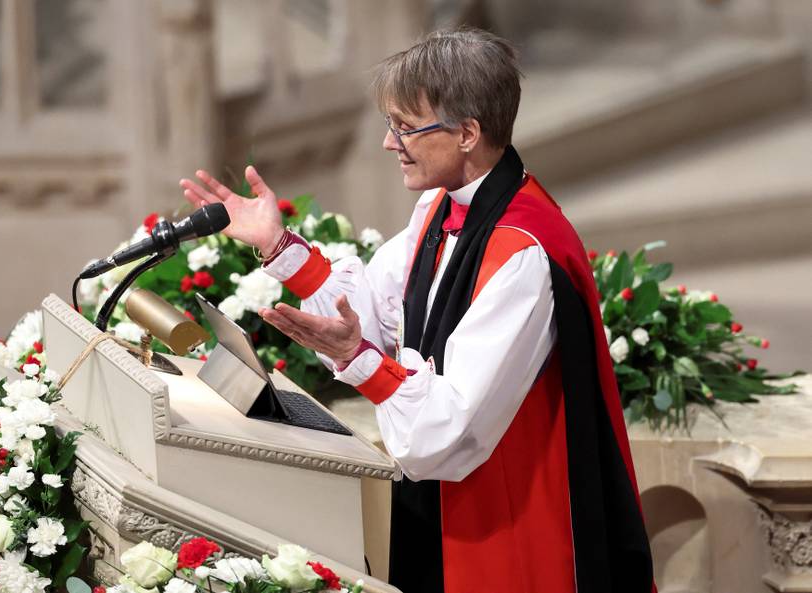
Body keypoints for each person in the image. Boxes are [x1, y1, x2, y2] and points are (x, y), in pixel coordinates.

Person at [181, 27, 653, 593]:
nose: (389, 143)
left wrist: (358, 361)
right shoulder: (441, 206)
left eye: (406, 127)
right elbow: (377, 311)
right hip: (445, 507)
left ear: (467, 134)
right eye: (390, 124)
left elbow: (446, 434)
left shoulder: (522, 253)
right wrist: (279, 249)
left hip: (504, 526)